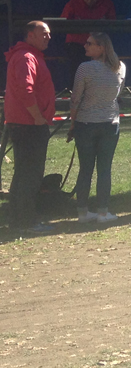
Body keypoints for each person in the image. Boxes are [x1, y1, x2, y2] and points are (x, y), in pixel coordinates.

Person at [4, 21, 56, 233]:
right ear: (30, 35)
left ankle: (18, 220)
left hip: (26, 124)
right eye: (44, 33)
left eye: (49, 34)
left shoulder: (29, 56)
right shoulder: (26, 57)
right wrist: (37, 117)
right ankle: (26, 221)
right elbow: (26, 90)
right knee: (30, 175)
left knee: (24, 173)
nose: (48, 37)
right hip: (29, 124)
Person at [68, 32, 125, 224]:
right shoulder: (120, 67)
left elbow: (76, 98)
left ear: (101, 47)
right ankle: (103, 212)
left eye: (89, 43)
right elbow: (118, 93)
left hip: (85, 123)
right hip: (110, 122)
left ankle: (82, 212)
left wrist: (73, 122)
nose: (85, 46)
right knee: (104, 169)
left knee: (85, 169)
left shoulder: (84, 68)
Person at [61, 0, 117, 78]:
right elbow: (63, 23)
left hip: (98, 43)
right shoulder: (72, 4)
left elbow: (113, 23)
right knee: (77, 70)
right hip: (77, 44)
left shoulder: (107, 4)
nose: (90, 1)